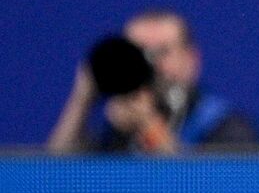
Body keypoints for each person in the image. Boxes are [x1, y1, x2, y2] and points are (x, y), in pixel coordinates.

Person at [48, 9, 259, 153]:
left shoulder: (225, 126)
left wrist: (149, 127)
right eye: (137, 53)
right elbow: (51, 182)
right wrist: (82, 99)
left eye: (161, 52)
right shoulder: (116, 126)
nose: (150, 66)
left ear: (191, 60)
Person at [47, 36, 177, 155]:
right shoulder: (107, 130)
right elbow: (52, 172)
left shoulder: (194, 115)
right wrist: (81, 99)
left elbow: (184, 176)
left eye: (160, 52)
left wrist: (148, 122)